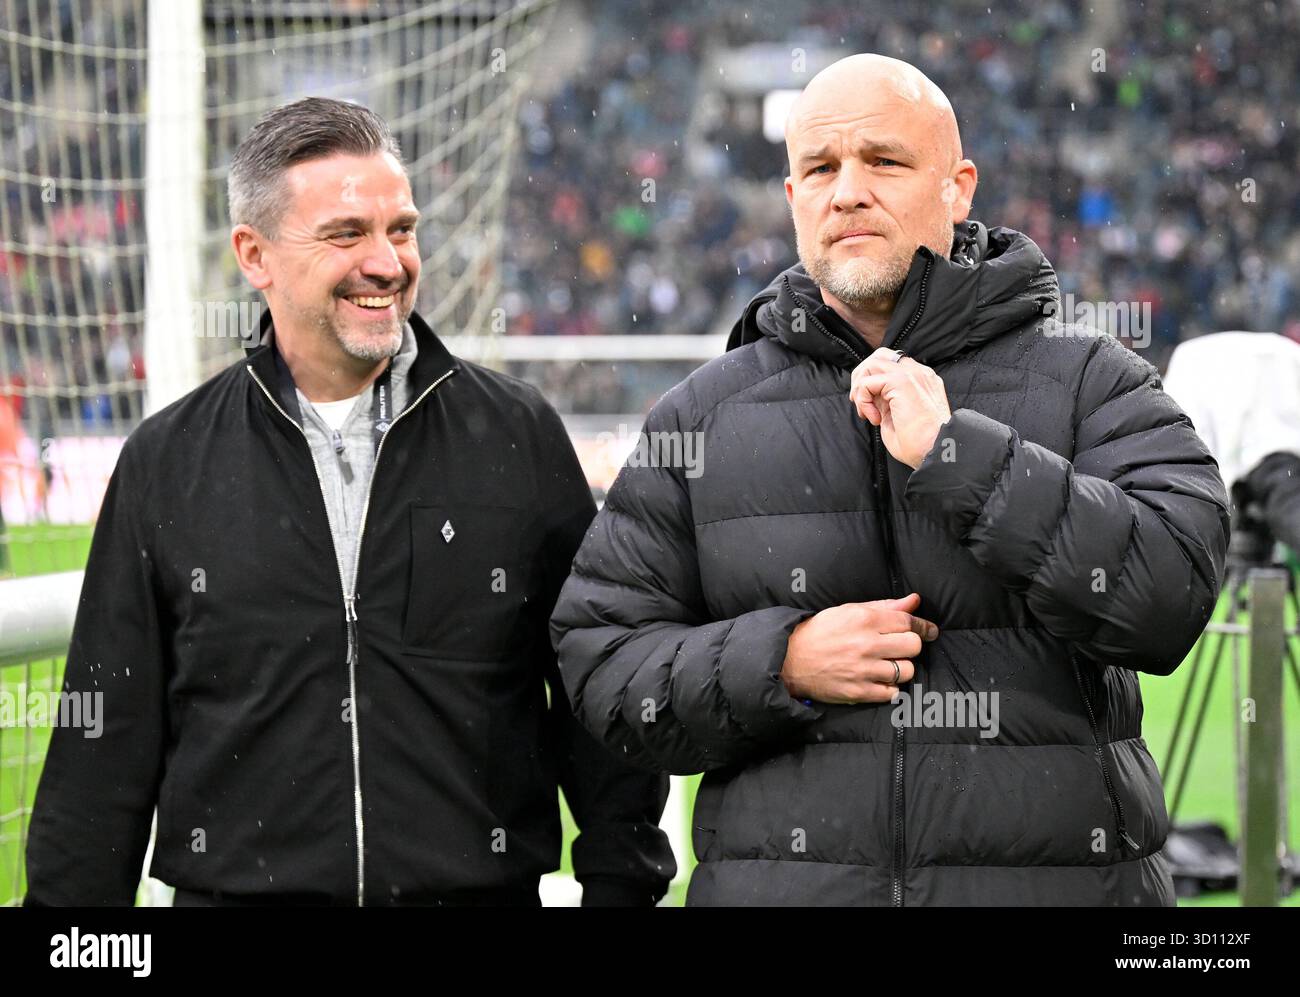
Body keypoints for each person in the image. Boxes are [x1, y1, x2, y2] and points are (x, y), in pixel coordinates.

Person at [551, 54, 1230, 906]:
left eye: (884, 162)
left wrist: (962, 457)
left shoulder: (1094, 377)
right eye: (820, 170)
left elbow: (1171, 597)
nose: (847, 192)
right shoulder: (703, 413)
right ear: (793, 196)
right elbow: (602, 662)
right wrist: (784, 660)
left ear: (958, 186)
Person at [25, 97, 674, 907]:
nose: (386, 262)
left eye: (400, 230)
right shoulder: (166, 463)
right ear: (254, 255)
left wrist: (622, 889)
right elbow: (102, 752)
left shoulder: (518, 436)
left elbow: (592, 697)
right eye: (346, 234)